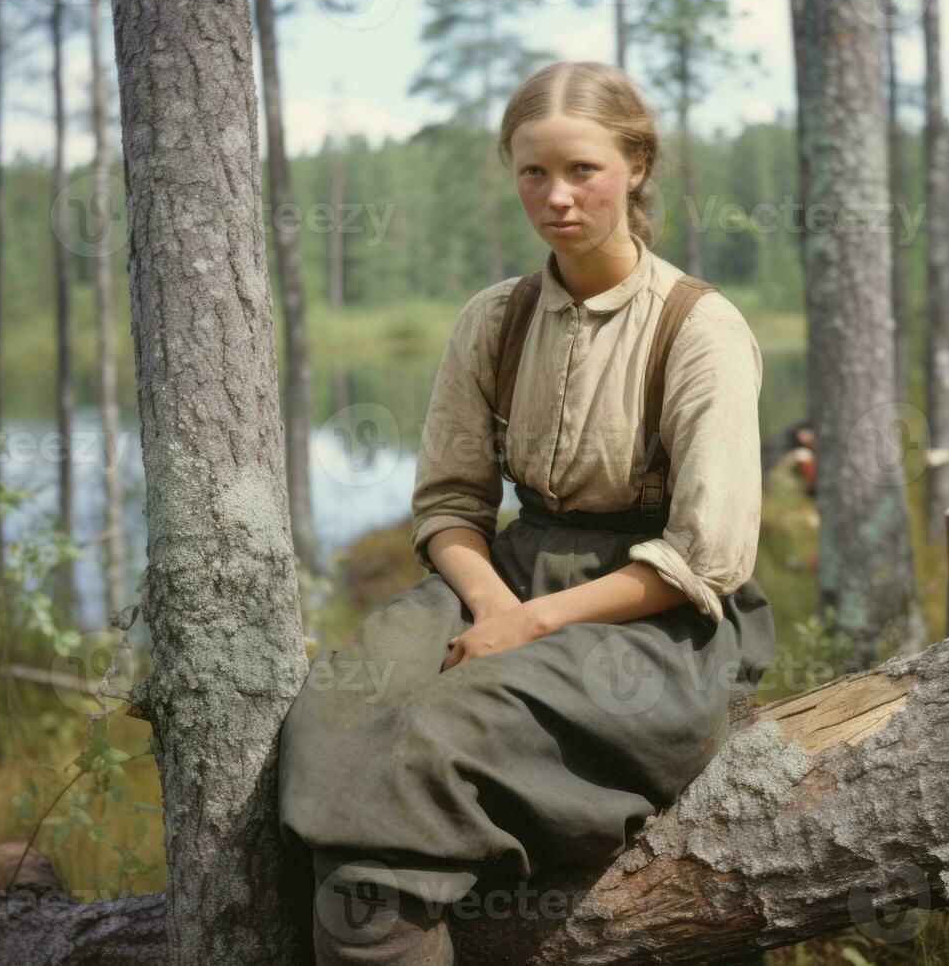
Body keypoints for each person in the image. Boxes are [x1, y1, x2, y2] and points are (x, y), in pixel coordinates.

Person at [277, 60, 776, 965]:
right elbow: (447, 506)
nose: (555, 197)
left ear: (634, 167)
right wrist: (498, 607)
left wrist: (535, 623)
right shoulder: (494, 319)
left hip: (653, 612)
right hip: (502, 573)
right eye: (532, 172)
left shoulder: (697, 328)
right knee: (328, 715)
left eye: (582, 169)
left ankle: (385, 908)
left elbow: (706, 555)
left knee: (429, 750)